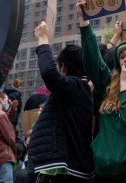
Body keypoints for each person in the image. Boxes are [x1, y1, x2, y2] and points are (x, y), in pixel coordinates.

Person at [76, 0, 126, 183]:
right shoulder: (109, 83)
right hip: (100, 172)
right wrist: (83, 21)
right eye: (122, 56)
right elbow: (94, 60)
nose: (125, 59)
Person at [27, 21, 94, 183]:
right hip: (73, 169)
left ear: (63, 66)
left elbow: (48, 73)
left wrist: (43, 39)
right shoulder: (82, 90)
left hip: (66, 172)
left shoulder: (75, 86)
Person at [0, 92, 16, 183]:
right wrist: (15, 153)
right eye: (7, 100)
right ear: (1, 99)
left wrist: (12, 109)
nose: (8, 102)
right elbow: (10, 138)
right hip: (4, 156)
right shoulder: (1, 115)